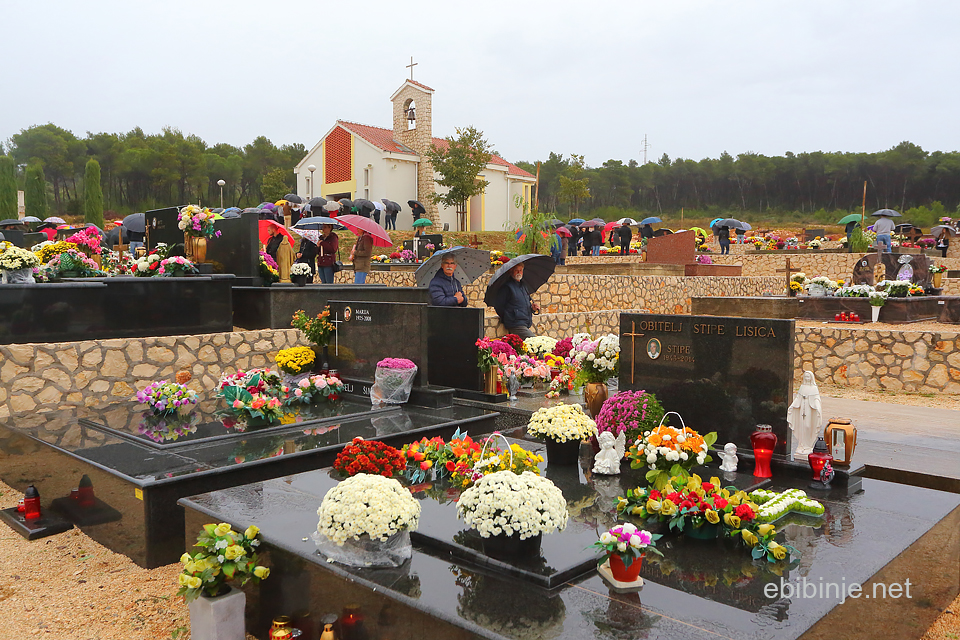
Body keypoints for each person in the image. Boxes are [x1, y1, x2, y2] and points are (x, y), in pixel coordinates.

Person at [494, 263, 539, 338]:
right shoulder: (507, 287)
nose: (519, 272)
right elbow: (499, 306)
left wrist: (532, 309)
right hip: (515, 324)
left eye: (520, 270)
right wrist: (508, 317)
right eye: (516, 270)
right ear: (511, 272)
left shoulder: (523, 286)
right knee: (534, 341)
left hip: (525, 322)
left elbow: (523, 304)